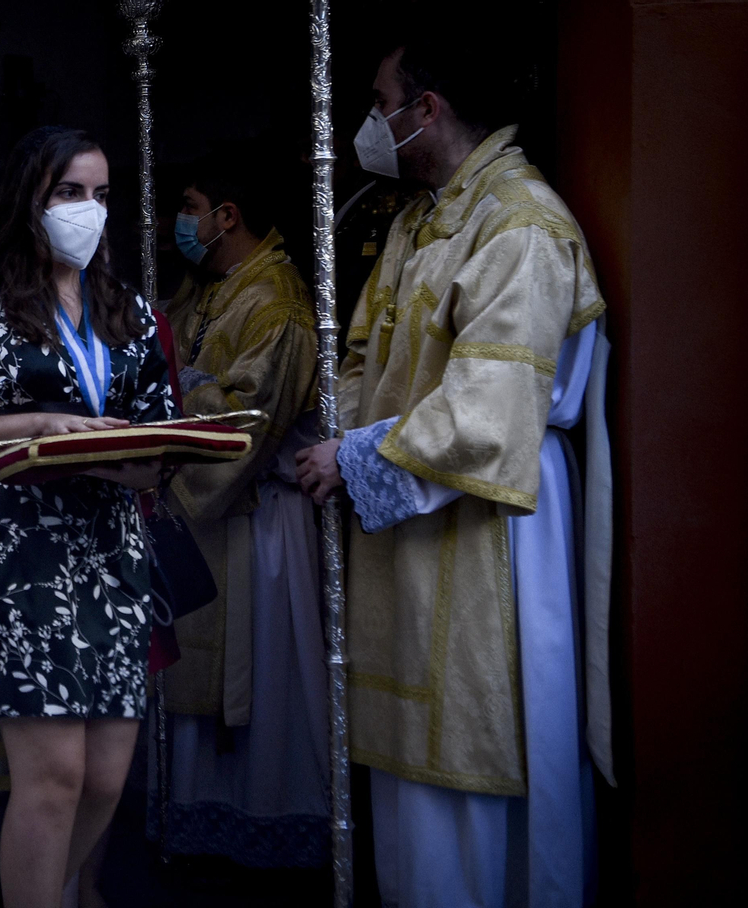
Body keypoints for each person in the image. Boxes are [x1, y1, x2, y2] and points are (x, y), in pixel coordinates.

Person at [295, 24, 612, 908]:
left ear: (426, 110)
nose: (370, 123)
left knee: (471, 762)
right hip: (407, 509)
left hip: (492, 521)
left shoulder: (521, 222)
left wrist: (354, 457)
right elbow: (363, 357)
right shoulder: (423, 218)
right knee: (410, 790)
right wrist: (340, 438)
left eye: (379, 104)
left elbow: (490, 408)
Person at [0, 125, 176, 908]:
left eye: (100, 194)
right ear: (31, 200)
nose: (87, 209)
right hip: (21, 555)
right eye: (69, 192)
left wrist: (140, 457)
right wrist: (40, 425)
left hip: (112, 551)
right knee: (54, 776)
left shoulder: (126, 309)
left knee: (104, 779)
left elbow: (159, 431)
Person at [157, 153, 328, 867]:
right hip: (200, 516)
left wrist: (181, 394)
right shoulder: (208, 288)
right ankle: (197, 831)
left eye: (189, 206)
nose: (179, 222)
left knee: (262, 681)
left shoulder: (276, 301)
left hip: (255, 519)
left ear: (226, 216)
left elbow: (251, 419)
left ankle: (269, 831)